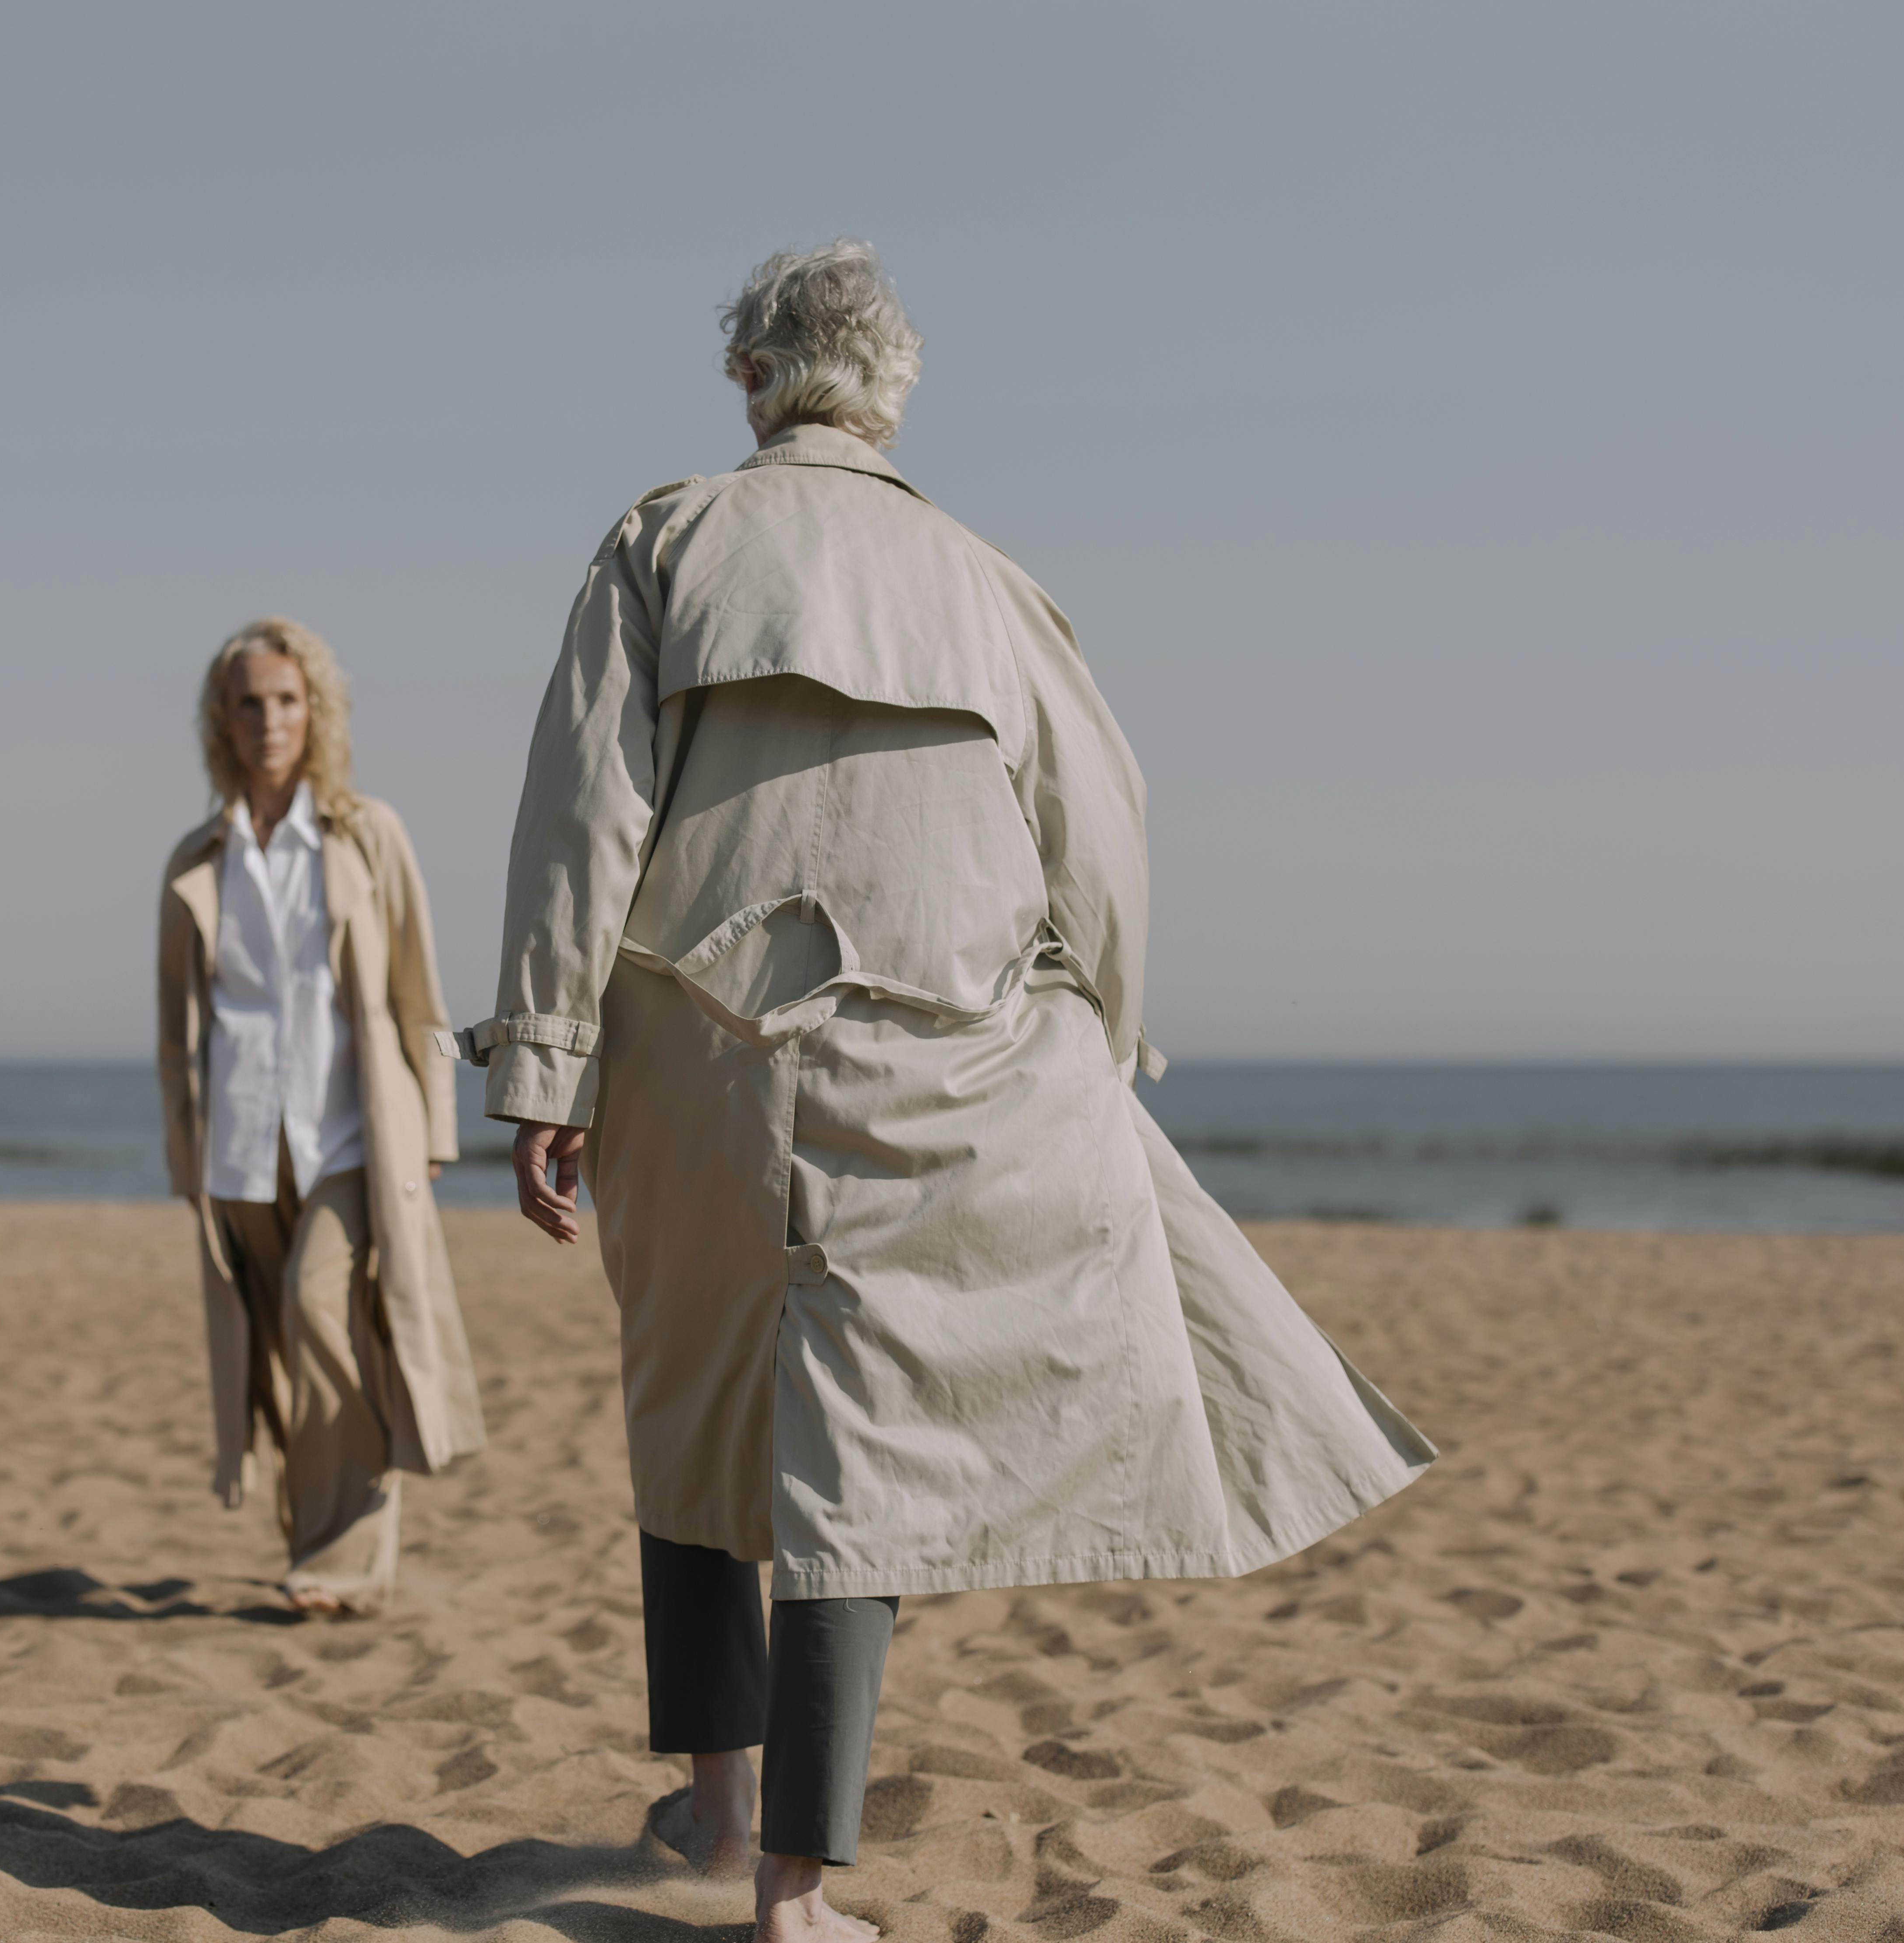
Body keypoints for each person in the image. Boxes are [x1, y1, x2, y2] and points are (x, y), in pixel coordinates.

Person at [448, 243, 1436, 1939]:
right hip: (944, 1054)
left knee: (690, 1417)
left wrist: (546, 1064)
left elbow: (579, 819)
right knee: (871, 1455)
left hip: (691, 1045)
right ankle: (795, 1889)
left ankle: (710, 1804)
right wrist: (1097, 1052)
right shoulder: (989, 580)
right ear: (892, 393)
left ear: (754, 381)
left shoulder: (665, 537)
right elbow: (1103, 842)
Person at [159, 616, 482, 1616]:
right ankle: (318, 1546)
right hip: (243, 1148)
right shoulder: (196, 859)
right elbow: (178, 1032)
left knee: (320, 1314)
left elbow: (420, 995)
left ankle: (345, 1560)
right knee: (277, 1353)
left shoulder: (365, 834)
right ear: (223, 719)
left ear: (318, 712)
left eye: (288, 701)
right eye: (251, 703)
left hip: (352, 1136)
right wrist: (186, 1163)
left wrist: (433, 1134)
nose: (270, 721)